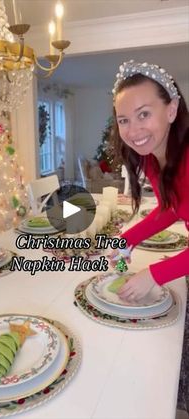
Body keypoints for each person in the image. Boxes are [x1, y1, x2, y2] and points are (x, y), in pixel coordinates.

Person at [108, 60, 189, 412]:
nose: (132, 129)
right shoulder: (156, 159)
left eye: (144, 114)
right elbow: (173, 207)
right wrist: (128, 238)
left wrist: (156, 274)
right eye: (124, 119)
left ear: (171, 109)